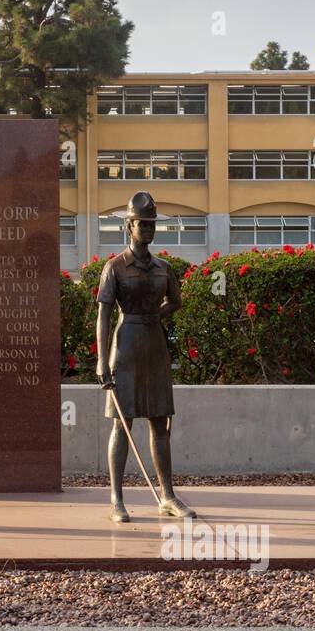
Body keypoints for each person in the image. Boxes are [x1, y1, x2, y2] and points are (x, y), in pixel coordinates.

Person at [95, 192, 196, 523]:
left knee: (160, 423)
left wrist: (156, 314)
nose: (148, 229)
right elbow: (104, 317)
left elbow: (176, 301)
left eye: (152, 224)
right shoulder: (114, 267)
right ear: (129, 225)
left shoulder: (163, 267)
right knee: (122, 426)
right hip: (124, 349)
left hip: (154, 347)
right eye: (142, 223)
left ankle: (167, 496)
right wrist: (101, 361)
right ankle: (116, 500)